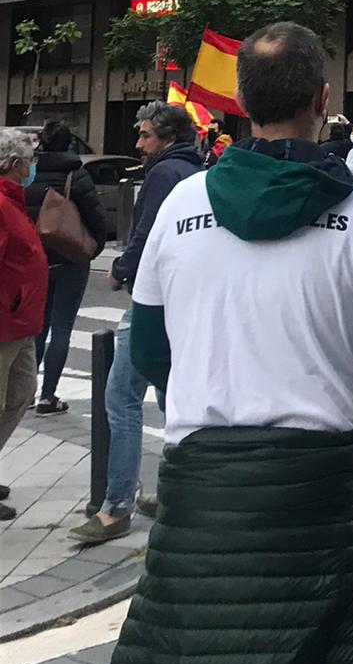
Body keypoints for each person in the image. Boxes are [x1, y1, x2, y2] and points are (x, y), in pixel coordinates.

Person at [93, 23, 353, 664]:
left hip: (200, 501)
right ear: (323, 97)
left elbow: (153, 353)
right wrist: (337, 367)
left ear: (243, 103)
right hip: (320, 493)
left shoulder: (182, 204)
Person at [71, 101, 203, 545]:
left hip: (155, 302)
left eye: (145, 135)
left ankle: (116, 506)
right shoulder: (199, 172)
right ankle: (172, 492)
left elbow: (148, 232)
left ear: (167, 137)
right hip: (187, 303)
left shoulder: (165, 174)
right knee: (173, 402)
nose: (138, 143)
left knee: (121, 398)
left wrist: (121, 269)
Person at [26, 120, 106, 414]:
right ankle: (49, 396)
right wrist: (92, 249)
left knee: (39, 327)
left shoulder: (30, 174)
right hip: (71, 258)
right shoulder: (77, 174)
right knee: (62, 327)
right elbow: (97, 219)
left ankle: (27, 393)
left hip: (38, 259)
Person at [0, 130, 48, 521]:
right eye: (30, 159)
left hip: (21, 323)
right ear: (16, 165)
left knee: (20, 394)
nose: (33, 166)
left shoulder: (13, 201)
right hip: (3, 324)